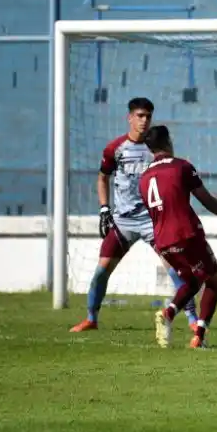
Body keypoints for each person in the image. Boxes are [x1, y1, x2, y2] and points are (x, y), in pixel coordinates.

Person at [71, 98, 198, 333]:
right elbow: (102, 177)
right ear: (129, 118)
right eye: (140, 116)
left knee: (175, 268)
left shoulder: (156, 149)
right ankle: (91, 319)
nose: (144, 121)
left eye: (148, 116)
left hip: (153, 221)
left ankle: (193, 319)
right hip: (123, 222)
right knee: (102, 270)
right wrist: (104, 208)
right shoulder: (115, 148)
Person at [139, 125, 217, 348]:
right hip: (186, 235)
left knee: (192, 281)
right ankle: (199, 335)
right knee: (213, 280)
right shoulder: (181, 167)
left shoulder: (144, 178)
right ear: (168, 141)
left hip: (163, 241)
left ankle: (168, 313)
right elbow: (204, 198)